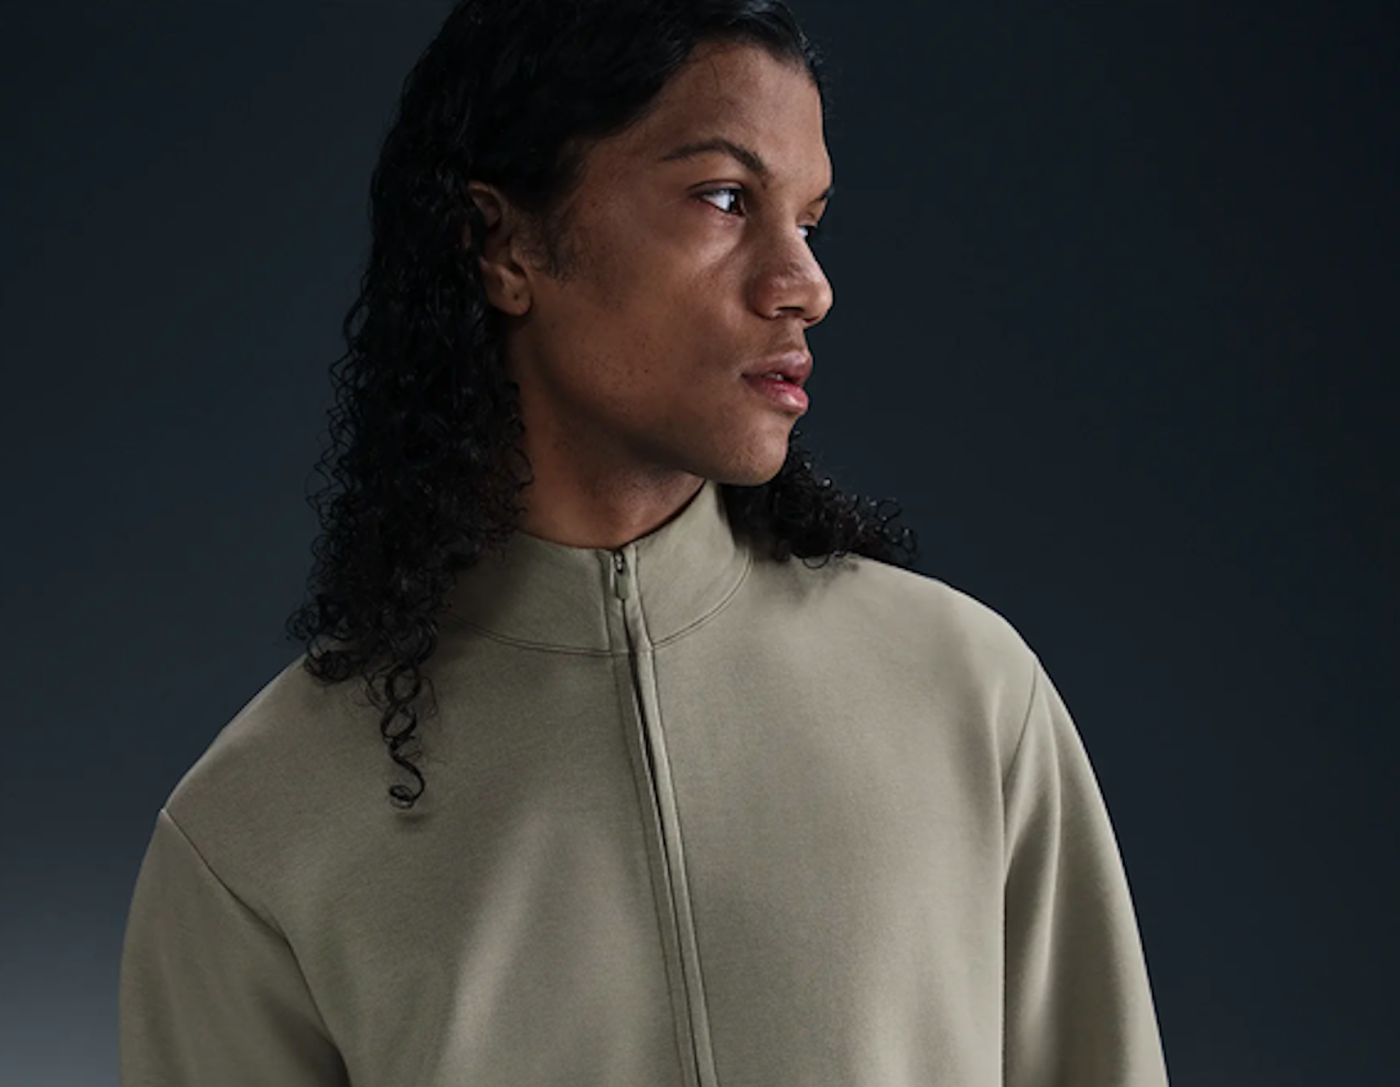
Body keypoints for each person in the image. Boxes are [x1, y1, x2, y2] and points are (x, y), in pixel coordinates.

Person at [118, 1, 1170, 1084]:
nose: (804, 285)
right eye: (724, 198)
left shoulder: (969, 696)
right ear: (504, 244)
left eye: (809, 221)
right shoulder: (257, 827)